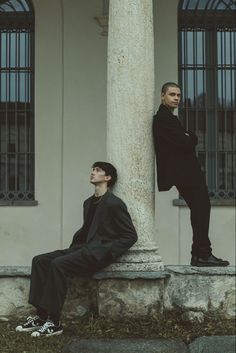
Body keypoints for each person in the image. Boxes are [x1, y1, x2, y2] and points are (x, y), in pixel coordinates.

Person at [15, 162, 137, 337]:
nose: (92, 173)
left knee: (58, 264)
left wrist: (107, 252)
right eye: (92, 170)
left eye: (97, 170)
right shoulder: (88, 202)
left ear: (108, 178)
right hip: (81, 249)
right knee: (39, 260)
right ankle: (41, 317)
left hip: (96, 254)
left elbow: (130, 236)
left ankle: (55, 322)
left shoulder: (114, 204)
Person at [152, 82, 229, 267]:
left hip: (185, 173)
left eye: (178, 95)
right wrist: (190, 137)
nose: (176, 98)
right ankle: (202, 254)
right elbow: (186, 142)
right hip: (184, 174)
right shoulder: (163, 118)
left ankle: (200, 254)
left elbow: (186, 139)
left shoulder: (169, 118)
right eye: (172, 94)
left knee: (201, 210)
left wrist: (188, 136)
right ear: (162, 96)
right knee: (202, 209)